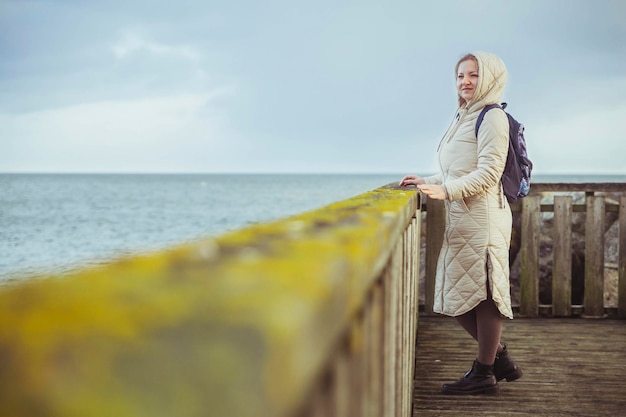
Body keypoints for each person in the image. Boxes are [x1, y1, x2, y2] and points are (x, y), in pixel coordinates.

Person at [400, 52, 523, 395]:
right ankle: (497, 358)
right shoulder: (465, 115)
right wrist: (427, 180)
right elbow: (460, 167)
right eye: (460, 76)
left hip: (483, 220)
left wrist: (445, 190)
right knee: (454, 295)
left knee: (484, 297)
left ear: (490, 78)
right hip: (465, 219)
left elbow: (489, 173)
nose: (466, 81)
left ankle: (485, 371)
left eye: (473, 75)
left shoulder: (493, 117)